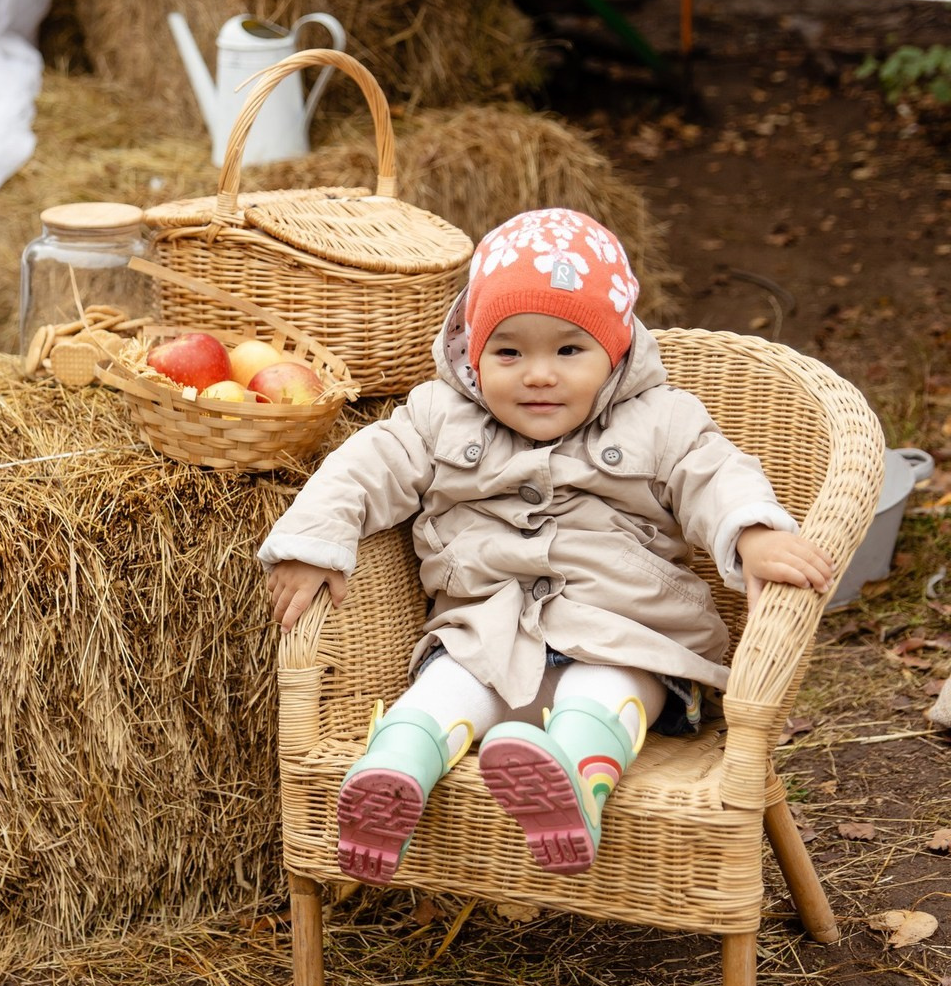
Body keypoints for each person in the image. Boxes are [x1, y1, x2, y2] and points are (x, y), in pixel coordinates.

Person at [259, 207, 834, 884]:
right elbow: (364, 468)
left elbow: (715, 474)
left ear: (614, 353)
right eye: (509, 352)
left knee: (607, 688)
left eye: (568, 350)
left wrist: (754, 532)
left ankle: (571, 783)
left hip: (626, 631)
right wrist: (313, 542)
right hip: (485, 633)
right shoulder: (437, 417)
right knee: (444, 690)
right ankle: (394, 775)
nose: (538, 375)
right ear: (472, 353)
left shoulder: (661, 417)